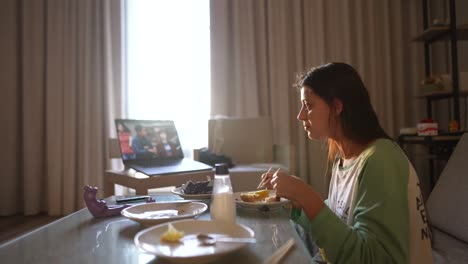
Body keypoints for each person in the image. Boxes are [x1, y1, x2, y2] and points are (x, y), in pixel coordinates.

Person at [262, 63, 433, 263]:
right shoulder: (343, 157)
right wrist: (295, 203)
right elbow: (339, 223)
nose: (300, 115)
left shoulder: (381, 159)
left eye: (308, 105)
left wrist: (305, 194)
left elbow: (370, 258)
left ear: (337, 107)